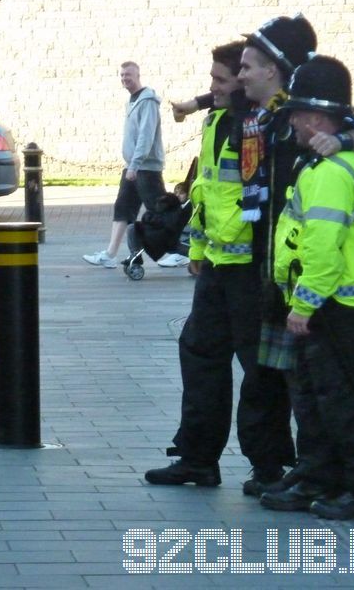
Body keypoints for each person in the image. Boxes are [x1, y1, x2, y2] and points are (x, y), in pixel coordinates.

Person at [258, 56, 354, 519]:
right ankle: (324, 479)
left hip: (336, 306)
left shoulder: (331, 173)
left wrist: (304, 303)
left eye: (298, 113)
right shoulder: (332, 163)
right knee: (323, 399)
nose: (292, 120)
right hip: (338, 305)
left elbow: (322, 248)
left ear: (317, 117)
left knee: (346, 403)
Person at [145, 41, 283, 486]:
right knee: (200, 353)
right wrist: (199, 253)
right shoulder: (218, 122)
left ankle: (268, 466)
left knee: (258, 368)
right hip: (217, 268)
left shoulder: (263, 125)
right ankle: (198, 458)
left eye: (221, 79)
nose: (213, 87)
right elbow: (206, 194)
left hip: (252, 271)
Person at [83, 61, 166, 269]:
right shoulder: (131, 101)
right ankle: (110, 254)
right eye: (121, 75)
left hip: (145, 169)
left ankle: (177, 252)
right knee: (122, 208)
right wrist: (132, 165)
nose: (124, 78)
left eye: (128, 74)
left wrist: (135, 164)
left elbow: (146, 136)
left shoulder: (148, 101)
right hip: (133, 167)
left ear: (138, 75)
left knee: (159, 212)